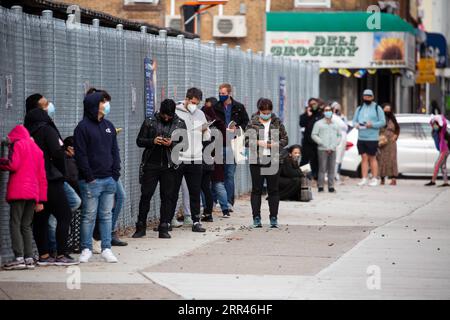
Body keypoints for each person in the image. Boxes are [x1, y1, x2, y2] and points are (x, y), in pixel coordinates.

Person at [24, 94, 77, 266]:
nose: (50, 106)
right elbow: (57, 152)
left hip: (34, 180)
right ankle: (61, 254)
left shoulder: (28, 129)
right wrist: (62, 171)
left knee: (41, 217)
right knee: (64, 214)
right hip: (50, 179)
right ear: (39, 109)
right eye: (46, 104)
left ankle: (44, 255)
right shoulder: (47, 129)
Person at [74, 90, 121, 263]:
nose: (106, 105)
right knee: (89, 215)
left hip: (109, 179)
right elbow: (81, 155)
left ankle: (106, 248)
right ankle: (86, 248)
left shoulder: (109, 125)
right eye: (103, 102)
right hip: (91, 181)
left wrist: (115, 173)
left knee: (106, 215)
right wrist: (89, 176)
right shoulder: (82, 128)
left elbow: (114, 150)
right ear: (95, 105)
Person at [132, 99, 186, 239]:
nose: (166, 118)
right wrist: (152, 141)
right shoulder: (150, 121)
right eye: (164, 115)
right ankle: (141, 226)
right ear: (160, 112)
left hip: (169, 165)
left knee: (167, 197)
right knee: (146, 195)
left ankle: (164, 226)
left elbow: (184, 145)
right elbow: (139, 141)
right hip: (151, 164)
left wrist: (172, 143)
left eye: (169, 115)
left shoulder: (179, 123)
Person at [0, 125, 47, 270]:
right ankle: (28, 258)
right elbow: (42, 177)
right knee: (26, 225)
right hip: (33, 193)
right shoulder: (37, 150)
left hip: (19, 190)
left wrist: (1, 161)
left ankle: (18, 257)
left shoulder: (18, 144)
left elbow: (13, 165)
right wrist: (40, 200)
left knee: (15, 223)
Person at [172, 88, 211, 233]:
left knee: (195, 190)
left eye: (197, 103)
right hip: (179, 156)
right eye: (192, 102)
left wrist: (205, 130)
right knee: (173, 190)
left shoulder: (200, 114)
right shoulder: (176, 111)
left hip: (196, 157)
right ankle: (169, 219)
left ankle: (196, 220)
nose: (194, 105)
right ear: (187, 99)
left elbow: (207, 137)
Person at [245, 98, 288, 228]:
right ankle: (256, 218)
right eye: (264, 111)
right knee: (257, 189)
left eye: (268, 111)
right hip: (256, 160)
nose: (266, 114)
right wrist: (258, 142)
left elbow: (285, 139)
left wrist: (276, 144)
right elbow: (245, 141)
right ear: (259, 111)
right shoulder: (252, 122)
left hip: (273, 159)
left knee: (273, 189)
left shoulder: (277, 122)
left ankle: (273, 217)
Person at [213, 84, 249, 213]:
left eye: (223, 93)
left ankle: (229, 202)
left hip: (233, 144)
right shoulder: (215, 107)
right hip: (218, 143)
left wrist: (237, 128)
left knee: (229, 174)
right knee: (216, 173)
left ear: (229, 93)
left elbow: (246, 123)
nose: (221, 95)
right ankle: (214, 201)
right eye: (220, 93)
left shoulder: (238, 107)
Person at [48, 136, 82, 257]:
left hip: (60, 184)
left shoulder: (70, 159)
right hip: (55, 184)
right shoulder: (67, 160)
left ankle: (57, 249)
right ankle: (53, 249)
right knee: (52, 222)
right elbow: (71, 178)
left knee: (57, 220)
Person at [352, 89, 386, 187]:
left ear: (372, 97)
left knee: (372, 157)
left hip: (372, 138)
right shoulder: (359, 108)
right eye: (365, 96)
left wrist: (372, 125)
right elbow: (354, 121)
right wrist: (356, 125)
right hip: (361, 137)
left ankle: (374, 178)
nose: (366, 98)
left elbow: (383, 122)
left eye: (369, 96)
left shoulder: (377, 108)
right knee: (363, 158)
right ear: (363, 97)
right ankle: (364, 178)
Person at [312, 105, 342, 193]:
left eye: (329, 110)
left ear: (332, 112)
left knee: (332, 168)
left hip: (333, 149)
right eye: (326, 110)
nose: (328, 111)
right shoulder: (318, 123)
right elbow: (313, 135)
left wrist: (334, 145)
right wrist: (322, 143)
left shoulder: (336, 124)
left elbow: (339, 135)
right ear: (323, 112)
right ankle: (320, 186)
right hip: (322, 149)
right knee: (322, 168)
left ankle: (331, 186)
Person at [299, 98, 323, 180]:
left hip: (317, 142)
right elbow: (302, 124)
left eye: (314, 103)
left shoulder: (320, 115)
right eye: (311, 104)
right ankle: (305, 176)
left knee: (316, 160)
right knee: (305, 160)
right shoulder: (304, 115)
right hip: (307, 142)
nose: (313, 105)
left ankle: (316, 176)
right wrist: (308, 115)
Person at [377, 104, 400, 186]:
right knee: (382, 159)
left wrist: (396, 136)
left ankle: (393, 179)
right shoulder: (380, 119)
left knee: (392, 159)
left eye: (388, 110)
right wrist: (379, 138)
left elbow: (397, 128)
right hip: (382, 141)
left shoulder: (393, 119)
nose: (387, 112)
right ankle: (382, 179)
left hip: (391, 142)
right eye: (385, 110)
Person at [425, 115, 450, 187]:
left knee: (437, 164)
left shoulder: (442, 131)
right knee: (443, 166)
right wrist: (434, 118)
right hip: (442, 150)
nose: (434, 126)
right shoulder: (434, 132)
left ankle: (433, 181)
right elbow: (431, 122)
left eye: (436, 125)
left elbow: (444, 124)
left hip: (444, 150)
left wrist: (441, 117)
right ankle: (446, 182)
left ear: (439, 125)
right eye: (434, 125)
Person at [331, 102, 348, 182]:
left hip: (343, 138)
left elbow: (346, 126)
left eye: (339, 107)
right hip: (336, 138)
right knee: (336, 157)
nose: (338, 109)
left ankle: (337, 173)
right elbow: (343, 126)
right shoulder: (332, 117)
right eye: (335, 107)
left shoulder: (342, 117)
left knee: (340, 157)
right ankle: (333, 174)